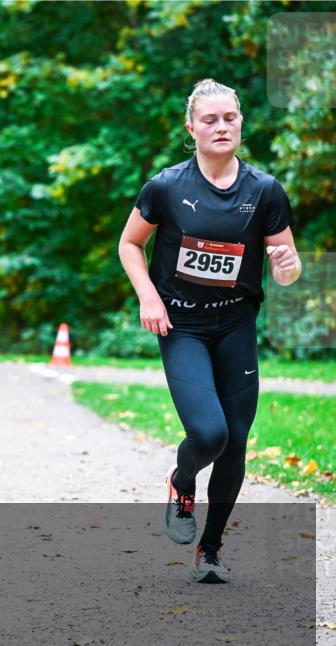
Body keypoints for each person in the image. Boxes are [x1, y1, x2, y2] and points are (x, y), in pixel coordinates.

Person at [118, 79, 301, 584]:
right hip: (182, 325)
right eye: (210, 120)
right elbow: (129, 245)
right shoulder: (167, 186)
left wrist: (286, 265)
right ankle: (182, 481)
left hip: (236, 324)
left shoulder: (264, 190)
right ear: (191, 127)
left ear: (241, 122)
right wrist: (148, 297)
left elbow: (286, 267)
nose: (222, 127)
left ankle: (212, 549)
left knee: (236, 442)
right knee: (209, 434)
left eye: (230, 118)